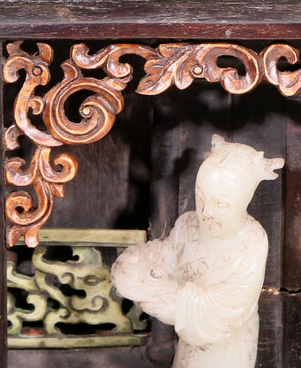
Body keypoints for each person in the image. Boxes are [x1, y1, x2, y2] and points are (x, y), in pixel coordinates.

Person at [112, 134, 283, 368]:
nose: (207, 211)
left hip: (227, 344)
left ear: (244, 201)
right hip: (189, 340)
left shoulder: (251, 240)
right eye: (201, 198)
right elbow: (168, 255)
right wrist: (139, 259)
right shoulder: (188, 224)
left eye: (221, 204)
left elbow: (231, 308)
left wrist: (172, 294)